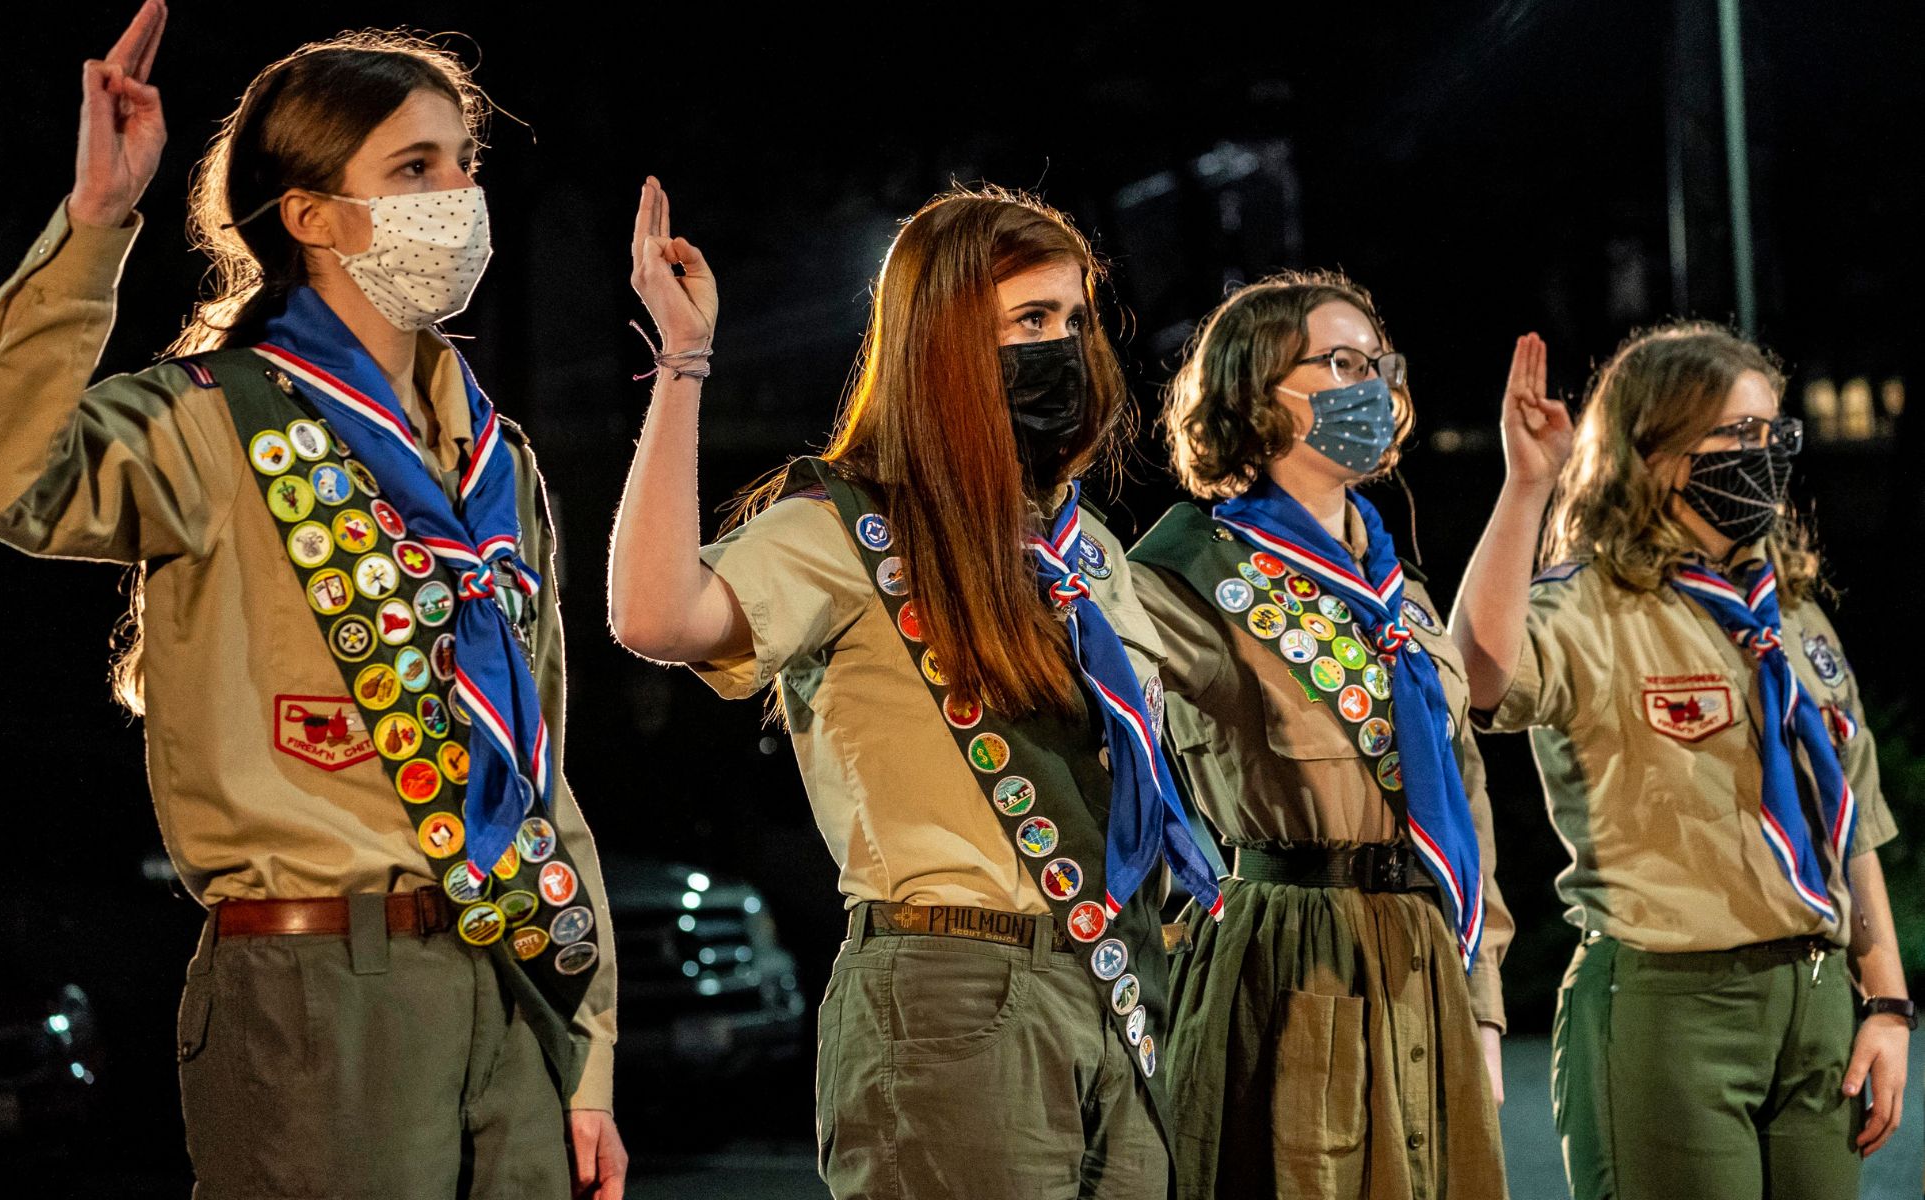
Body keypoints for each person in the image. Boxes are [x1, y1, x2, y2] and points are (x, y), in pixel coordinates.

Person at [0, 6, 626, 1196]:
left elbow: (540, 764)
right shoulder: (209, 420)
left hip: (517, 982)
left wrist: (591, 1055)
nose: (457, 195)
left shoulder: (495, 461)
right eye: (414, 168)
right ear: (309, 216)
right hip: (318, 984)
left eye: (464, 163)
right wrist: (96, 225)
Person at [609, 180, 1223, 1198]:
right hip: (952, 988)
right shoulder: (847, 528)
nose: (1065, 348)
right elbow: (654, 616)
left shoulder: (1084, 554)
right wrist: (682, 366)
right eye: (1030, 320)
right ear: (943, 348)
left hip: (1115, 992)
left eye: (1073, 318)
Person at [1451, 324, 1907, 1200]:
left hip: (1815, 1003)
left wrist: (1884, 1002)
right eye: (1736, 436)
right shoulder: (1591, 605)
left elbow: (1851, 818)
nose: (1762, 457)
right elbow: (1476, 677)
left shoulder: (1790, 611)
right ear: (1655, 452)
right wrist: (1524, 491)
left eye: (1773, 434)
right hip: (1670, 1004)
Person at [1128, 273, 1511, 1199]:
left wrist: (1485, 1008)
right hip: (1293, 953)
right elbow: (1091, 687)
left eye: (1380, 364)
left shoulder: (1396, 592)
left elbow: (1462, 790)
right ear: (1259, 392)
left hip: (1425, 961)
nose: (1372, 386)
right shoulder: (1193, 574)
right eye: (1340, 363)